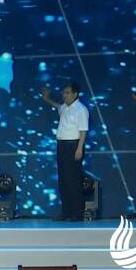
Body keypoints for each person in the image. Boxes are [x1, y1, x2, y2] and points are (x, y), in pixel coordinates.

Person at [40, 81, 89, 222]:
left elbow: (83, 131)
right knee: (64, 180)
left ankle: (76, 213)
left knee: (73, 180)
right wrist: (46, 98)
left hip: (73, 146)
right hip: (62, 145)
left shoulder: (81, 109)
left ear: (75, 94)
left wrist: (79, 148)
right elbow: (57, 106)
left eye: (67, 93)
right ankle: (66, 212)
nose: (64, 95)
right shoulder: (65, 107)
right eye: (63, 93)